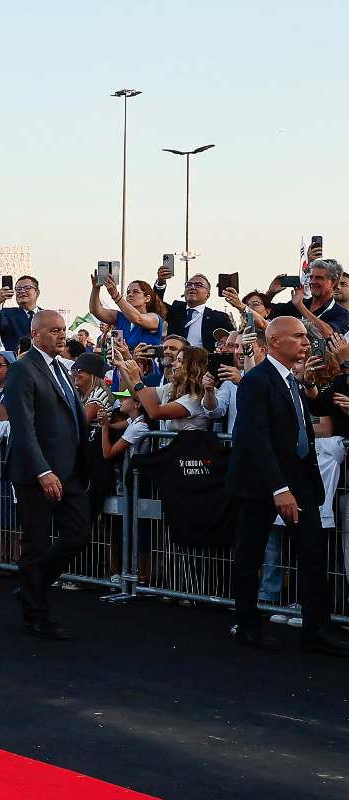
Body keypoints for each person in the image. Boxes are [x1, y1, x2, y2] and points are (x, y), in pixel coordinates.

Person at [226, 316, 349, 656]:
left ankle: (316, 629)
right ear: (275, 342)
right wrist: (279, 489)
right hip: (262, 484)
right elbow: (254, 437)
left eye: (306, 336)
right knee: (251, 554)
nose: (306, 342)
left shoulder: (293, 380)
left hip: (299, 481)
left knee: (313, 552)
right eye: (298, 336)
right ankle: (247, 625)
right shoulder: (256, 381)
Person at [3, 310, 89, 640]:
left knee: (77, 536)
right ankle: (36, 612)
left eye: (64, 330)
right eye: (54, 330)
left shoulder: (62, 369)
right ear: (36, 335)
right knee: (36, 544)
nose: (62, 335)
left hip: (69, 473)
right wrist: (43, 471)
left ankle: (31, 585)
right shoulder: (23, 370)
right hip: (36, 474)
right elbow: (23, 427)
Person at [264, 259, 349, 337]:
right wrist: (270, 293)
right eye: (311, 277)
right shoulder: (297, 303)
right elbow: (265, 314)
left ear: (333, 282)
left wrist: (301, 307)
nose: (312, 282)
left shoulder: (342, 314)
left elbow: (328, 334)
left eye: (319, 278)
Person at [151, 272, 234, 351]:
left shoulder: (218, 318)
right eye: (188, 285)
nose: (192, 287)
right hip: (174, 362)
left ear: (207, 295)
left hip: (202, 363)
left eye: (199, 285)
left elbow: (232, 340)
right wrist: (160, 283)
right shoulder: (175, 310)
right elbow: (156, 303)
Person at [88, 274, 165, 349]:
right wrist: (96, 288)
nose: (130, 295)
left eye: (135, 291)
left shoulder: (154, 318)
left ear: (147, 298)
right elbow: (95, 310)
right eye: (128, 292)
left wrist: (116, 295)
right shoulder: (121, 317)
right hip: (122, 361)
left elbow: (137, 318)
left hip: (144, 361)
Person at [0, 274, 44, 351]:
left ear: (37, 292)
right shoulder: (7, 314)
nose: (22, 291)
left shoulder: (47, 316)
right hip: (17, 360)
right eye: (18, 289)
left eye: (27, 288)